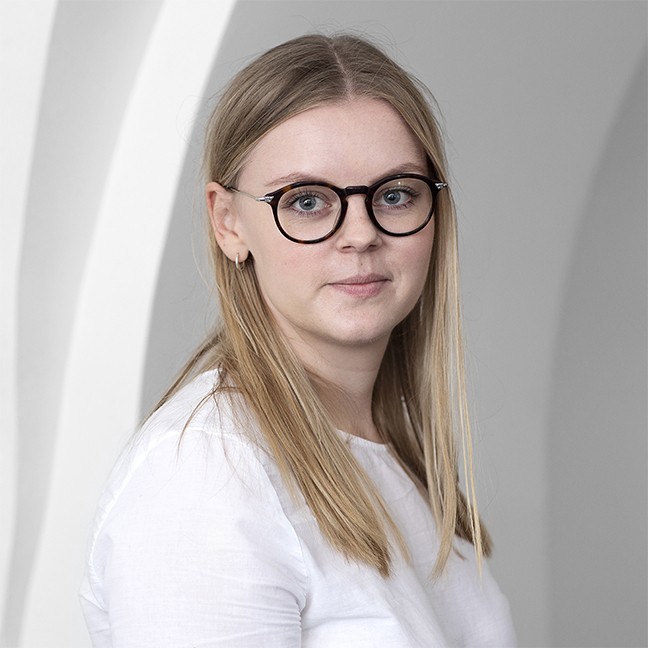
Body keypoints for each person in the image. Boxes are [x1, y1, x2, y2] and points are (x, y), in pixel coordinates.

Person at [80, 33, 516, 647]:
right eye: (307, 201)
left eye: (396, 194)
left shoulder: (389, 454)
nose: (360, 234)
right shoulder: (210, 472)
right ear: (228, 222)